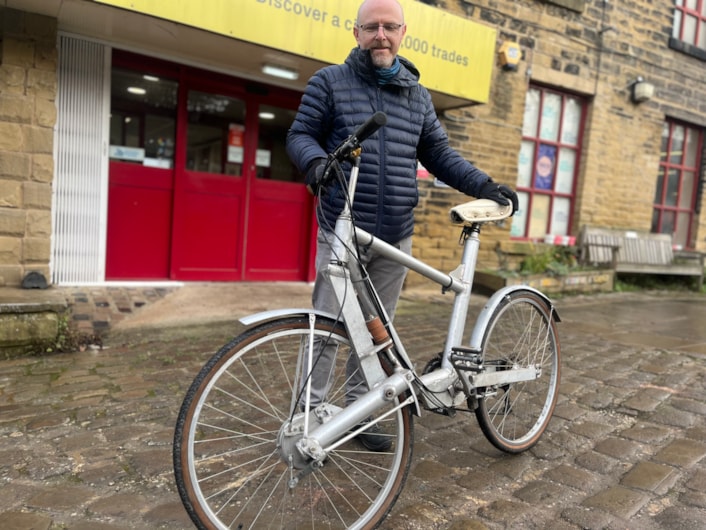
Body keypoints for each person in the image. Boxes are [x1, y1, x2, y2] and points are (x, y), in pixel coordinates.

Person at [285, 0, 518, 451]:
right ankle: (307, 421)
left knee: (375, 334)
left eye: (389, 27)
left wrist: (485, 185)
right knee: (327, 330)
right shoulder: (329, 82)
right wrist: (316, 164)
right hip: (342, 229)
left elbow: (440, 156)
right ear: (356, 33)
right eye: (371, 27)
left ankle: (359, 417)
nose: (381, 36)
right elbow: (300, 134)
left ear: (403, 32)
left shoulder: (417, 96)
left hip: (394, 235)